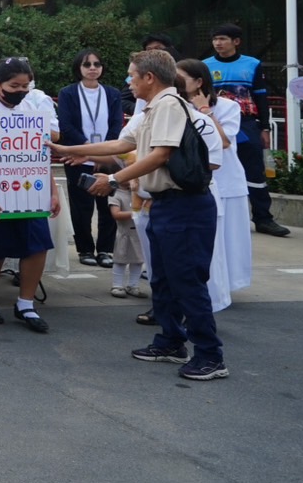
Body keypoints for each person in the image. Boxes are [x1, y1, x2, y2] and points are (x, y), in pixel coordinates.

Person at [87, 51, 229, 380]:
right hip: (165, 204)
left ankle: (211, 355)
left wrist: (112, 179)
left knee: (187, 282)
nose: (128, 81)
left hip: (185, 206)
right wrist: (69, 150)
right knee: (163, 279)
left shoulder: (168, 105)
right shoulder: (154, 108)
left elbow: (161, 156)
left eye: (131, 75)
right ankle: (170, 341)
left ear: (149, 77)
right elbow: (120, 145)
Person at [0, 59, 59, 334]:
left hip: (30, 191)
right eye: (13, 85)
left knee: (37, 246)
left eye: (25, 86)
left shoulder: (29, 108)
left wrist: (52, 190)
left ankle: (26, 303)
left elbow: (40, 153)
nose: (20, 91)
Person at [204, 24, 288, 236]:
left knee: (253, 170)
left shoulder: (252, 64)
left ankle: (263, 218)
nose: (217, 43)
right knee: (213, 166)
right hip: (215, 123)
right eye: (215, 39)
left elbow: (261, 97)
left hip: (246, 124)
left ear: (236, 41)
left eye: (222, 38)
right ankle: (213, 213)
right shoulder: (204, 66)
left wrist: (265, 127)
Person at [174, 59, 236, 312]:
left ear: (199, 82)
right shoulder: (171, 104)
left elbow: (223, 143)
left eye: (180, 78)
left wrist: (205, 111)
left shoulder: (227, 106)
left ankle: (209, 305)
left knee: (207, 254)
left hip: (208, 184)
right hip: (177, 187)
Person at [58, 49, 124, 268]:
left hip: (108, 158)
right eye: (87, 64)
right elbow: (66, 125)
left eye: (97, 64)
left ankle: (106, 249)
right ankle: (85, 249)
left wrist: (104, 152)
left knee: (108, 205)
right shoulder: (68, 93)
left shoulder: (112, 93)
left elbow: (116, 125)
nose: (93, 68)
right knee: (81, 206)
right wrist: (88, 149)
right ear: (79, 68)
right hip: (78, 157)